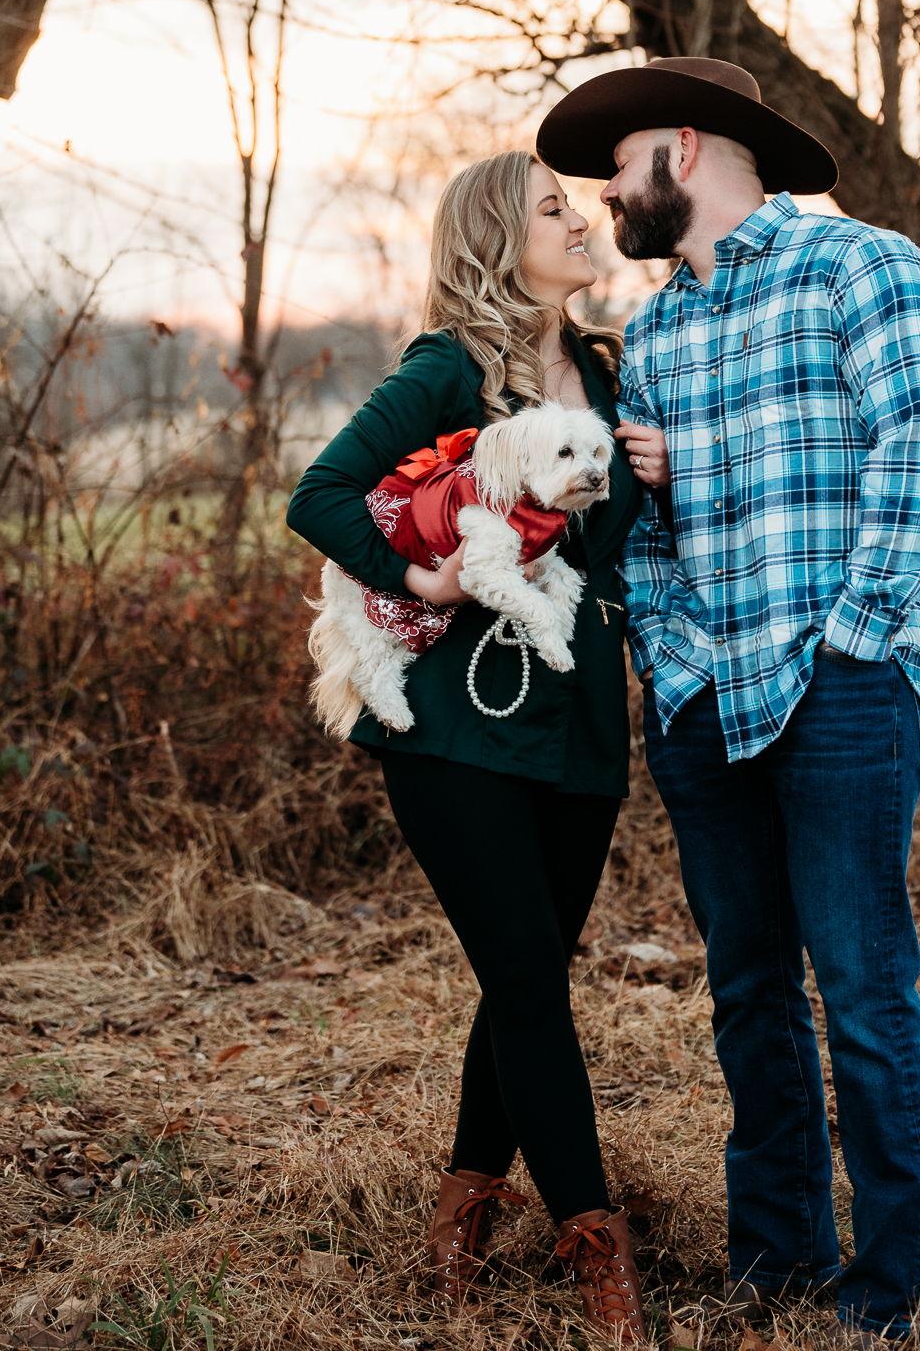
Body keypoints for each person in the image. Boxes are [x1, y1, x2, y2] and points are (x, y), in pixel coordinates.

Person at [536, 58, 920, 1342]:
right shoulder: (657, 330)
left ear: (682, 147)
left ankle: (890, 1290)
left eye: (619, 167)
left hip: (838, 690)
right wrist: (666, 664)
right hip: (701, 698)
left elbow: (917, 448)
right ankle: (777, 1257)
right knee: (746, 992)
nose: (606, 194)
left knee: (863, 988)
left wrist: (855, 643)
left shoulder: (859, 265)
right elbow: (651, 533)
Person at [286, 150, 653, 1344]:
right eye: (553, 208)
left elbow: (609, 544)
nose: (581, 219)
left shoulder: (608, 371)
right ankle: (598, 1249)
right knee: (531, 981)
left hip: (581, 719)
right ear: (500, 238)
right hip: (459, 726)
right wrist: (420, 576)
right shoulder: (447, 368)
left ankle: (460, 1224)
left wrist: (649, 473)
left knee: (521, 978)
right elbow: (320, 494)